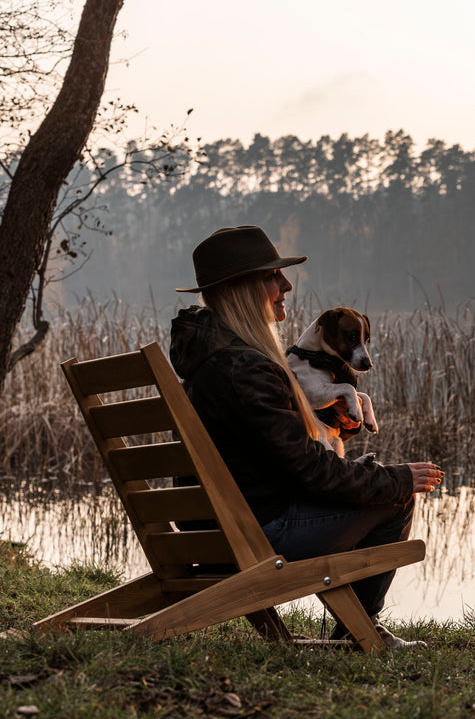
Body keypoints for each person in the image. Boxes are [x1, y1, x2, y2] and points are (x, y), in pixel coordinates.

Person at [171, 225, 443, 649]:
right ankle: (361, 631)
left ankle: (357, 628)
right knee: (394, 495)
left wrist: (330, 429)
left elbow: (268, 456)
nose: (286, 285)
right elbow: (309, 473)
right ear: (242, 288)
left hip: (215, 533)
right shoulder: (244, 368)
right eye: (272, 276)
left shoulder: (211, 360)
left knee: (376, 481)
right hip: (256, 538)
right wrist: (397, 479)